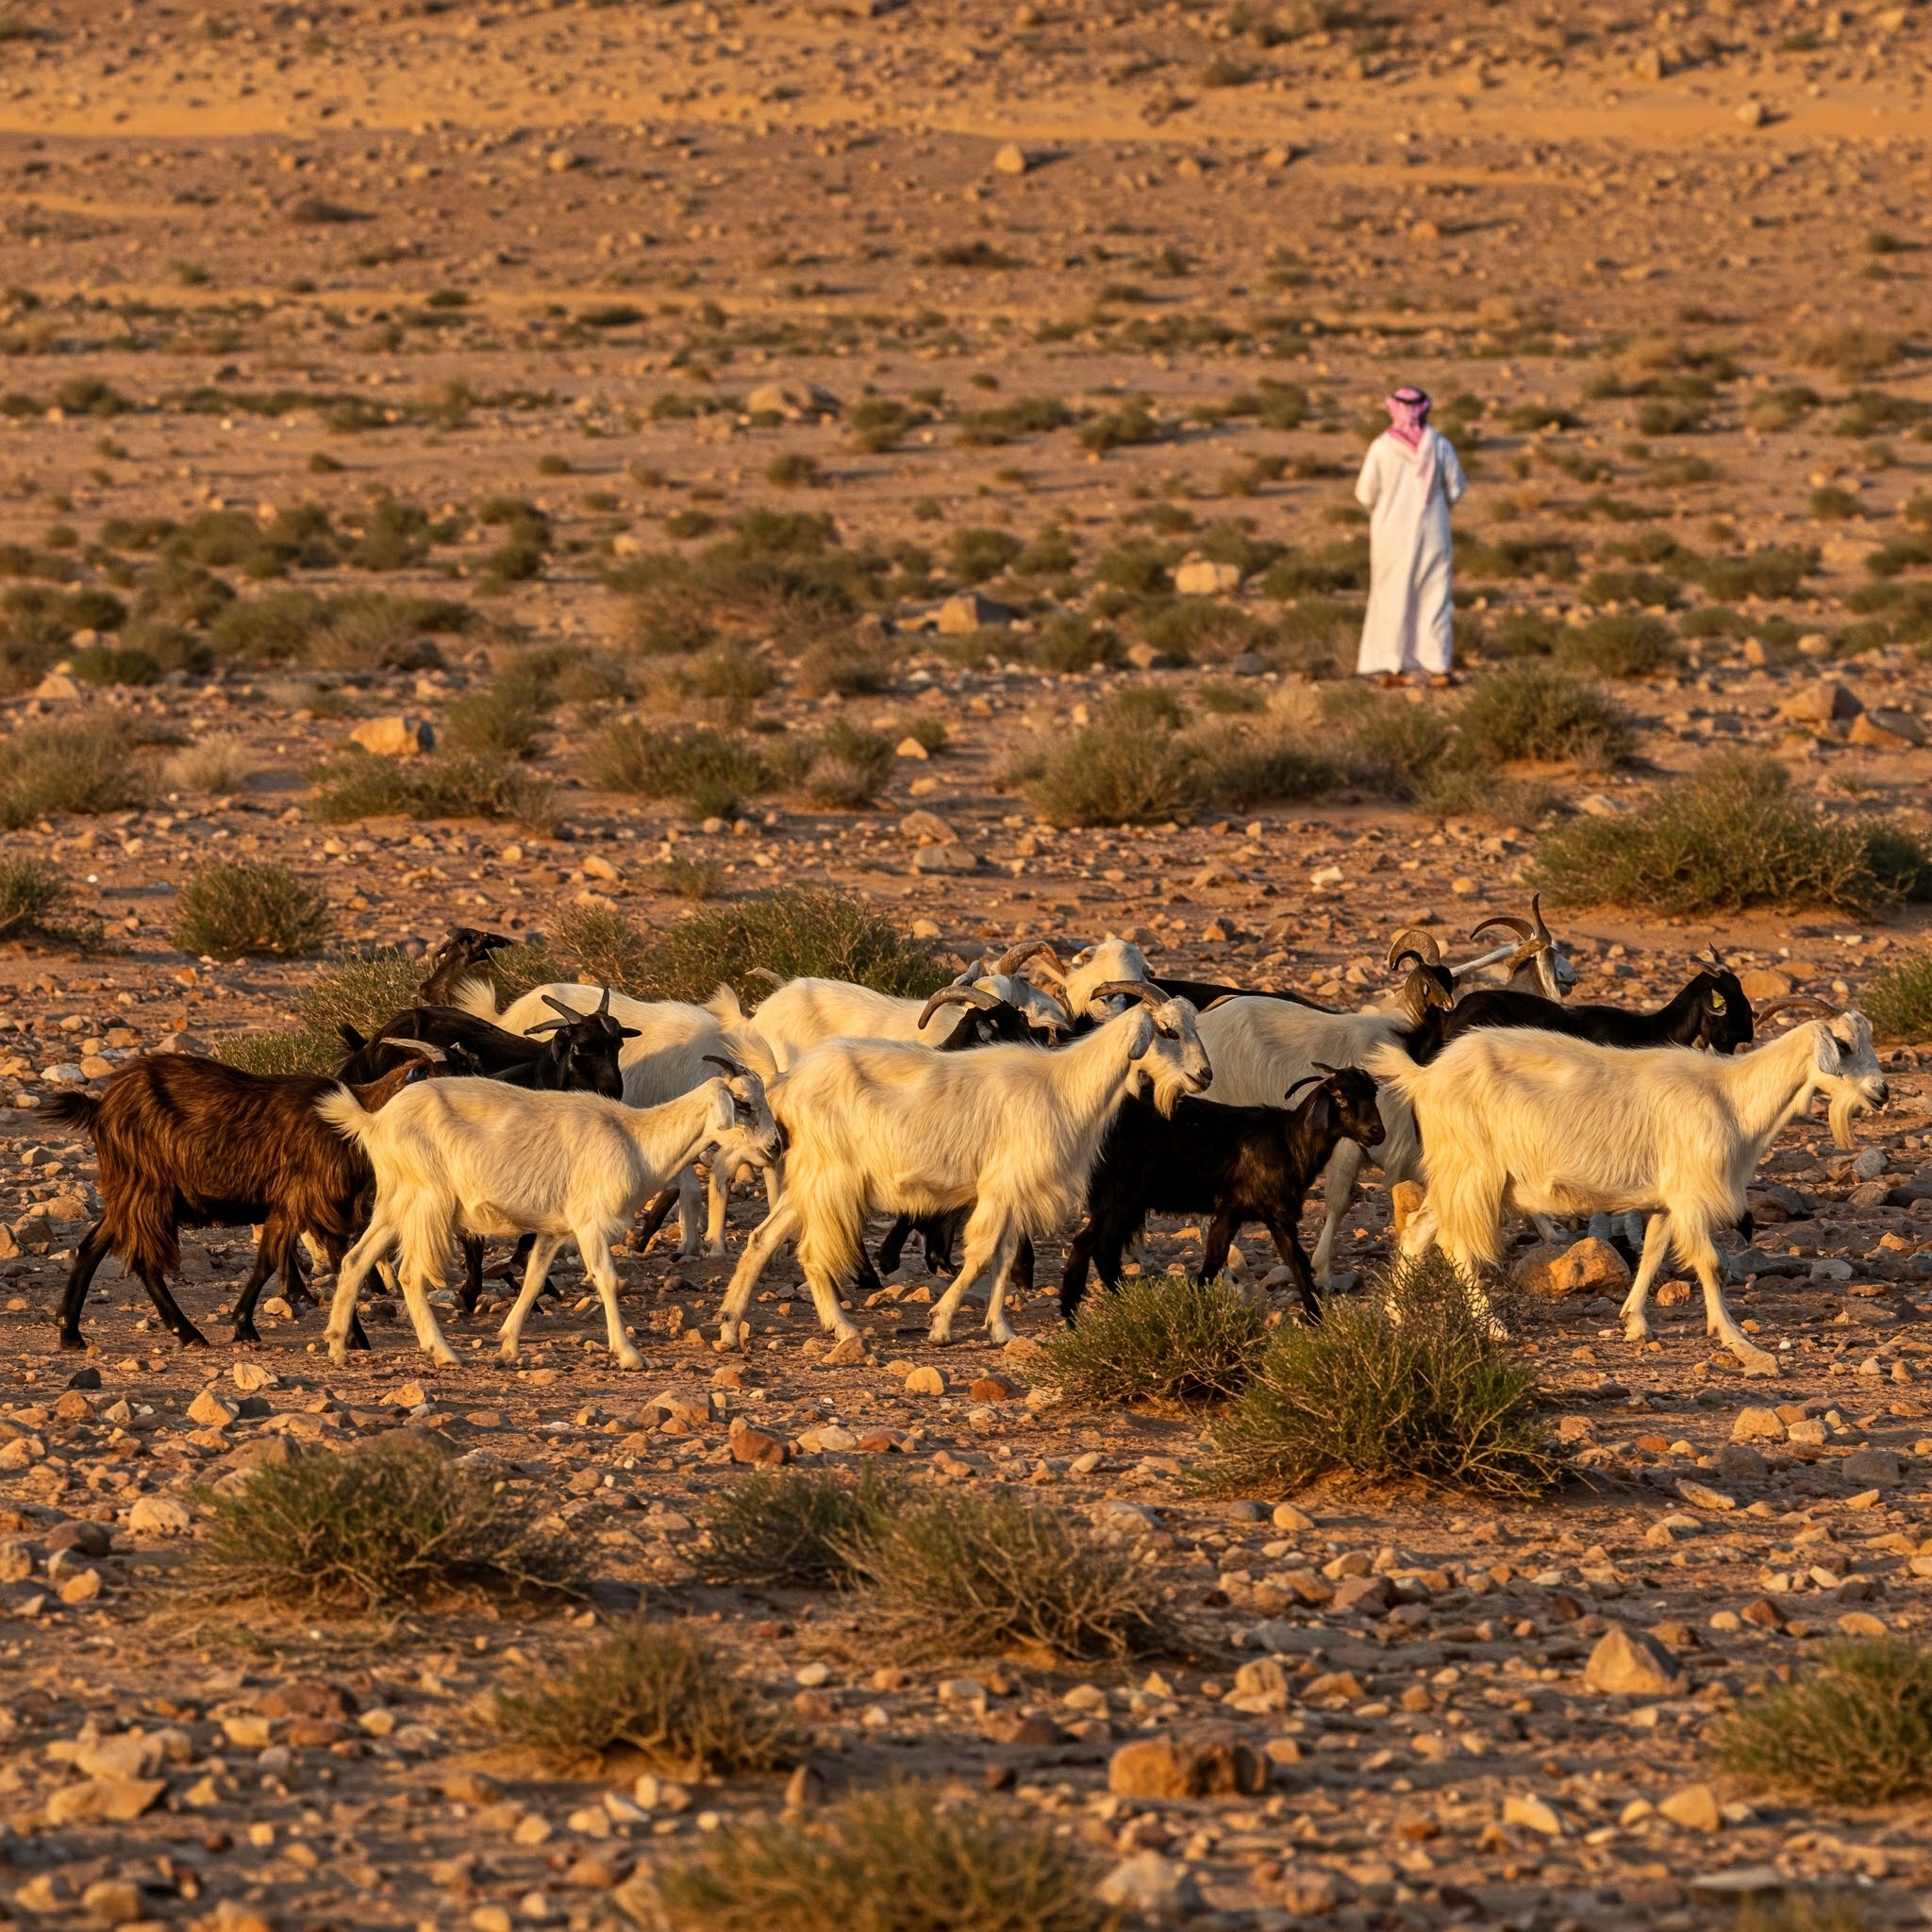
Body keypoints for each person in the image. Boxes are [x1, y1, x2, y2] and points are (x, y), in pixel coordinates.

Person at [1354, 385, 1468, 688]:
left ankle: (1394, 666)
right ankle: (1438, 665)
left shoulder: (1380, 448)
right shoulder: (1440, 446)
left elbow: (1364, 494)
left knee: (1392, 595)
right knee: (1434, 595)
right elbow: (1456, 489)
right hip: (1433, 532)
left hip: (1391, 534)